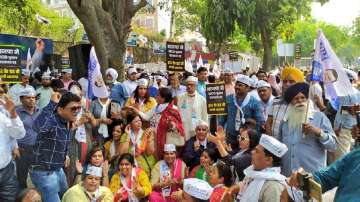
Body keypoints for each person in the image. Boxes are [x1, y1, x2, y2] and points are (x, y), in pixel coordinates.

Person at [29, 92, 81, 202]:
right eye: (73, 108)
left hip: (58, 169)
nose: (76, 111)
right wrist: (52, 103)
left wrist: (64, 155)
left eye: (78, 108)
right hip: (44, 173)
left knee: (66, 197)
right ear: (60, 110)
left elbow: (61, 141)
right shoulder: (52, 120)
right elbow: (38, 127)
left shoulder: (67, 121)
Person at [280, 82, 337, 176]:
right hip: (289, 174)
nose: (300, 101)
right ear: (291, 102)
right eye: (296, 98)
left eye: (303, 98)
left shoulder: (319, 117)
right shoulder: (285, 121)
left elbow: (333, 146)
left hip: (312, 174)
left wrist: (318, 132)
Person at [224, 135, 288, 202]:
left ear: (268, 160)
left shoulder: (273, 187)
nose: (252, 152)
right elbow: (244, 184)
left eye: (257, 151)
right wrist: (232, 190)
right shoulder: (254, 173)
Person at [219, 74, 264, 147]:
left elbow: (260, 122)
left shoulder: (255, 102)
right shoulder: (228, 99)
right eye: (236, 84)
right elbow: (222, 118)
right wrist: (221, 131)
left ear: (247, 88)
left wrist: (250, 124)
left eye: (240, 85)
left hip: (246, 139)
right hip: (230, 136)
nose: (236, 87)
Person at [0, 89, 26, 201]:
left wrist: (12, 112)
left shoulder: (4, 112)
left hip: (6, 170)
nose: (2, 95)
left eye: (1, 91)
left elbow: (19, 133)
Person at [265, 66, 304, 139]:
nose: (287, 84)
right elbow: (268, 123)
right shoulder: (275, 101)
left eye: (291, 81)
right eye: (285, 81)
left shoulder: (304, 104)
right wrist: (270, 143)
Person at [15, 88, 42, 190]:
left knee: (39, 176)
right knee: (22, 176)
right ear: (21, 99)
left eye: (33, 97)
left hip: (39, 149)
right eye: (28, 98)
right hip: (23, 149)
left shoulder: (40, 111)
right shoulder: (16, 113)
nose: (31, 100)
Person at [177, 76, 208, 140]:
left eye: (191, 85)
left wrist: (205, 130)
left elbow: (205, 117)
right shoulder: (179, 98)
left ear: (196, 86)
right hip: (183, 128)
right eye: (187, 84)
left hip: (197, 129)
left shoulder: (202, 99)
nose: (189, 86)